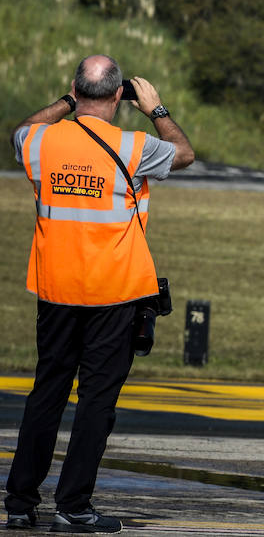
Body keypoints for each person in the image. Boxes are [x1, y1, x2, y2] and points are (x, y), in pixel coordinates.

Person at [6, 56, 194, 534]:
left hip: (57, 289)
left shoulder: (41, 141)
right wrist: (156, 108)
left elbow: (22, 129)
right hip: (115, 292)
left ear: (74, 90)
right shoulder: (133, 146)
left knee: (47, 394)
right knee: (95, 401)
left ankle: (21, 501)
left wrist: (67, 103)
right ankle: (73, 504)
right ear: (118, 96)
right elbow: (184, 153)